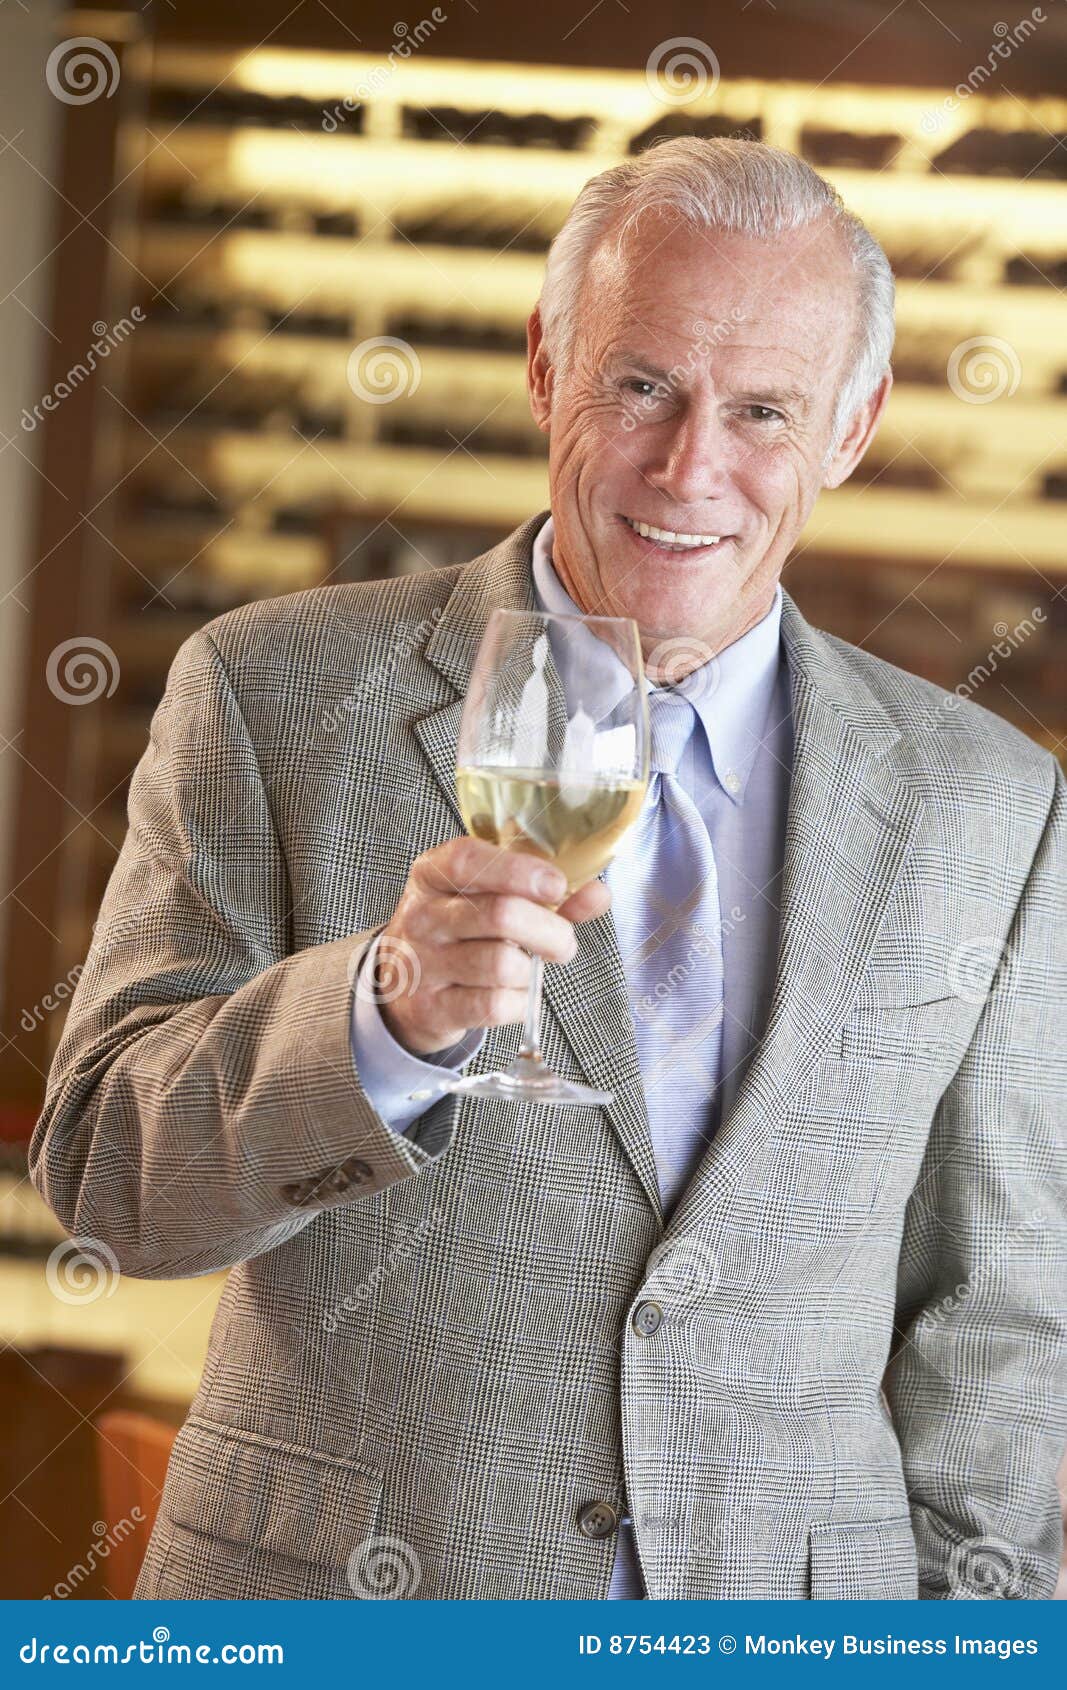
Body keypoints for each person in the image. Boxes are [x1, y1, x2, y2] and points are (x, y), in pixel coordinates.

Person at [31, 139, 1065, 1602]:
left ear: (854, 425)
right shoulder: (270, 690)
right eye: (640, 384)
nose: (688, 464)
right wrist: (380, 1021)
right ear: (544, 365)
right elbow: (107, 1177)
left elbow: (999, 1323)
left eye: (762, 409)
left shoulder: (993, 804)